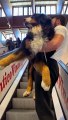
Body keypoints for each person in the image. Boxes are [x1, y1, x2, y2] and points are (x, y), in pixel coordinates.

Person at [34, 15, 68, 120]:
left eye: (52, 19)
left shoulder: (60, 28)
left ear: (57, 20)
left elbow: (54, 44)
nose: (50, 21)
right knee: (44, 100)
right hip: (49, 64)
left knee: (42, 104)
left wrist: (32, 46)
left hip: (48, 64)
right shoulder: (58, 29)